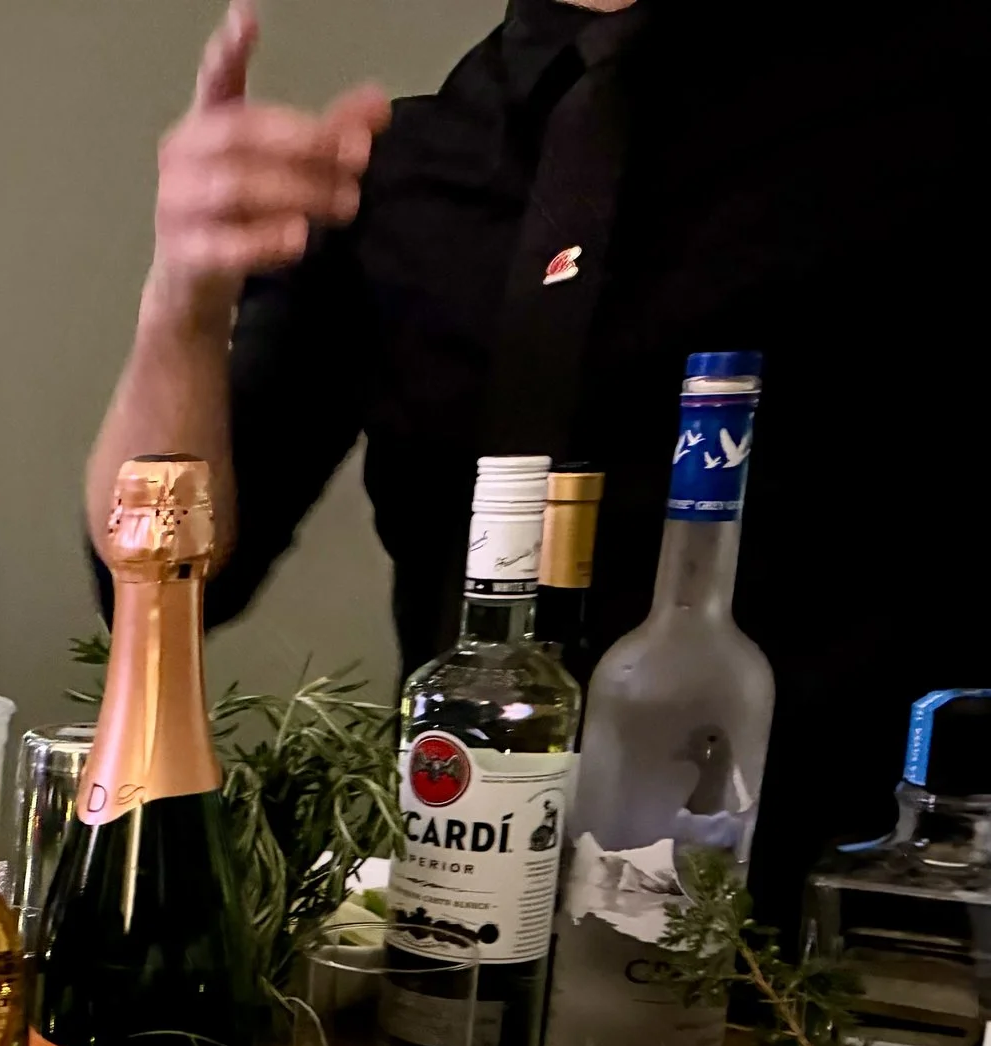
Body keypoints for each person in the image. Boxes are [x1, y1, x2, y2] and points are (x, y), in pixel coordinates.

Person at [87, 0, 980, 916]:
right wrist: (182, 306)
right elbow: (169, 583)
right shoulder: (393, 169)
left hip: (835, 979)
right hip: (448, 938)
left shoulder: (940, 108)